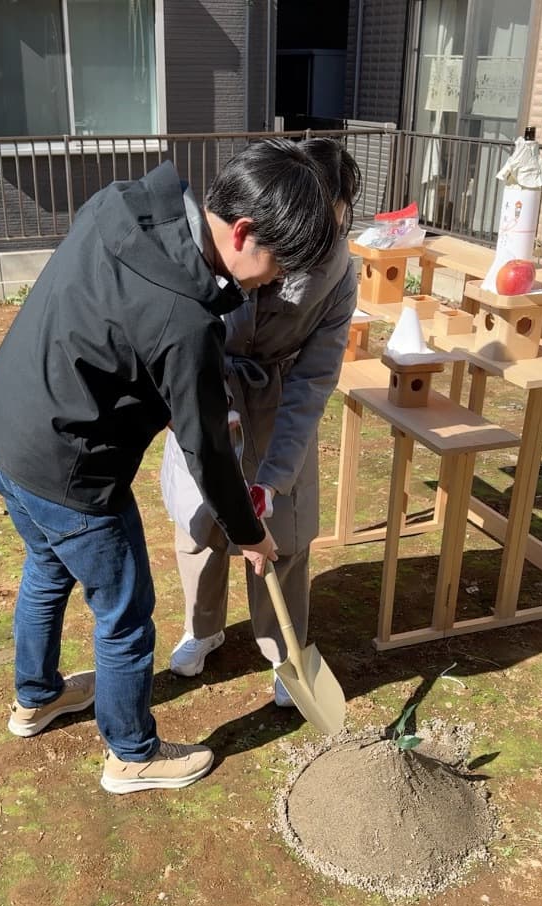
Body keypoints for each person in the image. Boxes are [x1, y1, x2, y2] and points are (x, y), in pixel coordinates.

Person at [0, 138, 338, 795]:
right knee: (126, 612)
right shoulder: (185, 321)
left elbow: (107, 328)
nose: (272, 282)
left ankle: (36, 698)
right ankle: (132, 754)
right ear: (243, 231)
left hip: (5, 432)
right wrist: (250, 533)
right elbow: (208, 452)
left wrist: (172, 394)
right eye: (276, 264)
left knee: (46, 570)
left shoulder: (123, 205)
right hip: (70, 473)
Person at [160, 137, 360, 706]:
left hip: (276, 406)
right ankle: (202, 628)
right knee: (199, 525)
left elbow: (314, 380)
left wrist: (273, 477)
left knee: (284, 538)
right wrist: (202, 402)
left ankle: (283, 650)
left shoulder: (339, 274)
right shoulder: (232, 241)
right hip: (205, 391)